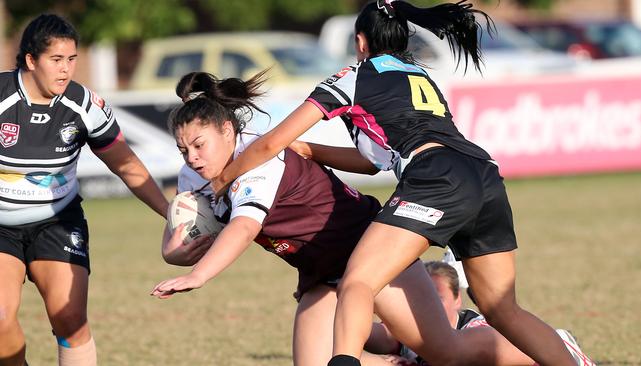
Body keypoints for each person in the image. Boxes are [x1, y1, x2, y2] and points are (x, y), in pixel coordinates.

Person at [208, 1, 582, 365]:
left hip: (435, 176)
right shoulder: (421, 76)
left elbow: (271, 143)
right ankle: (566, 355)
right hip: (483, 172)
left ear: (360, 42)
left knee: (357, 282)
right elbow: (372, 163)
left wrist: (223, 178)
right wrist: (307, 148)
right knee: (502, 309)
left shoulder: (355, 76)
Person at [150, 71, 498, 366]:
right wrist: (177, 255)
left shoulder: (259, 160)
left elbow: (243, 227)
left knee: (448, 353)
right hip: (321, 271)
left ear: (227, 130)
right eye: (184, 150)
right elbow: (181, 238)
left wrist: (199, 275)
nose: (192, 158)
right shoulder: (192, 176)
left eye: (199, 145)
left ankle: (548, 348)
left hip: (369, 249)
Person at [0, 14, 168, 366]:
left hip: (57, 222)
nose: (66, 70)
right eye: (56, 60)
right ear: (31, 60)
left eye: (72, 59)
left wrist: (170, 214)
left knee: (70, 319)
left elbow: (127, 165)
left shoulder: (85, 105)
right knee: (0, 319)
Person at [366, 260, 597, 366]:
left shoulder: (479, 335)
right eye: (417, 301)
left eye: (438, 298)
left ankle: (563, 340)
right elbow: (356, 335)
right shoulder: (409, 331)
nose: (428, 307)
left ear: (458, 299)